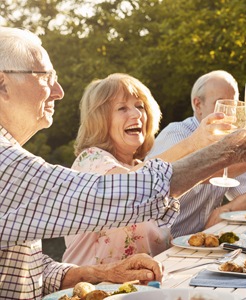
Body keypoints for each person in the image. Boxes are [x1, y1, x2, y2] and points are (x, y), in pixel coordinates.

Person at [0, 27, 246, 299]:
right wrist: (221, 151)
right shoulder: (5, 162)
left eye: (140, 106)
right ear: (2, 84)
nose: (59, 91)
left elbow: (28, 270)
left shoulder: (12, 157)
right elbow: (122, 192)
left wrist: (101, 274)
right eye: (46, 76)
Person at [148, 70, 246, 237]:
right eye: (222, 104)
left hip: (195, 244)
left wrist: (223, 211)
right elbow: (188, 176)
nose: (230, 113)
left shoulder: (230, 142)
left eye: (234, 104)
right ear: (198, 105)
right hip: (158, 244)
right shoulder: (178, 134)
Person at [62, 73, 170, 266]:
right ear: (101, 120)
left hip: (144, 287)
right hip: (94, 291)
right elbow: (134, 184)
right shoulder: (91, 160)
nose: (137, 114)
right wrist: (195, 143)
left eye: (140, 106)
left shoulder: (138, 166)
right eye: (122, 108)